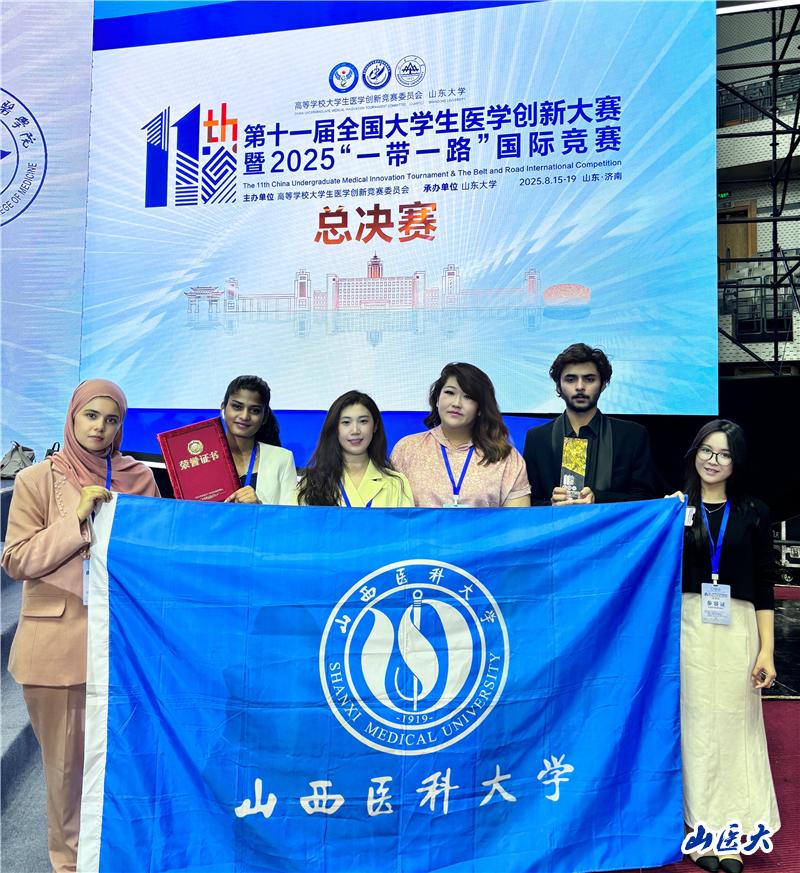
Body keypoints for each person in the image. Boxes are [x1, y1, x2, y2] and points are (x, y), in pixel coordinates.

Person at [1, 380, 160, 873]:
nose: (100, 428)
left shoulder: (139, 478)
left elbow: (156, 553)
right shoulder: (35, 480)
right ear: (72, 417)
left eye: (112, 420)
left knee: (127, 765)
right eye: (91, 416)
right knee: (66, 773)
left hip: (125, 650)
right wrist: (75, 521)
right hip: (57, 651)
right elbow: (16, 559)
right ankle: (69, 865)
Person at [675, 420, 780, 873]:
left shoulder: (754, 512)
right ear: (694, 453)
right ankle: (701, 828)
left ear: (737, 462)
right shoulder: (674, 508)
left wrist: (767, 650)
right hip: (688, 628)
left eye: (724, 454)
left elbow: (764, 582)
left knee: (737, 726)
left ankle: (731, 830)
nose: (713, 461)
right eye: (706, 450)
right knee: (697, 727)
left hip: (739, 627)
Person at [523, 342, 659, 505]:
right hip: (556, 522)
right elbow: (526, 502)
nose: (580, 387)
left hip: (611, 522)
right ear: (558, 386)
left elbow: (646, 500)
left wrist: (598, 499)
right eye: (571, 379)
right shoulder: (537, 438)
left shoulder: (632, 435)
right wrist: (551, 505)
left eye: (589, 379)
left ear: (603, 385)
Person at [391, 363, 530, 508]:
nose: (456, 403)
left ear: (480, 408)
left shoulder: (506, 457)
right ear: (437, 399)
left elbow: (518, 519)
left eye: (468, 397)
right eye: (450, 393)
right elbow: (391, 515)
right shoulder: (407, 449)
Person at [297, 390, 413, 507]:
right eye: (346, 422)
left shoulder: (396, 482)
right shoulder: (312, 482)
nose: (355, 431)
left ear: (375, 426)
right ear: (335, 428)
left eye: (363, 421)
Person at [220, 375, 297, 505]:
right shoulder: (202, 457)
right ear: (223, 408)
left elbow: (291, 515)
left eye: (254, 411)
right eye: (237, 407)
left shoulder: (282, 459)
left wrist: (258, 508)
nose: (244, 416)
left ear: (264, 416)